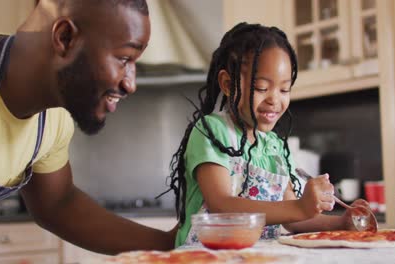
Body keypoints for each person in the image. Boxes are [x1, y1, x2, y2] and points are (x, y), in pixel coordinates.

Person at [159, 22, 370, 247]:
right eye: (261, 88)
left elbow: (294, 220)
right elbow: (221, 206)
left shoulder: (275, 147)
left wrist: (341, 223)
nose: (274, 99)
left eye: (284, 89)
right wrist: (299, 207)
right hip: (203, 255)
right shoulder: (212, 131)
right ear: (228, 84)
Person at [0, 0, 176, 255]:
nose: (130, 84)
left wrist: (172, 246)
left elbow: (58, 204)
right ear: (65, 37)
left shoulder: (54, 120)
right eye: (124, 58)